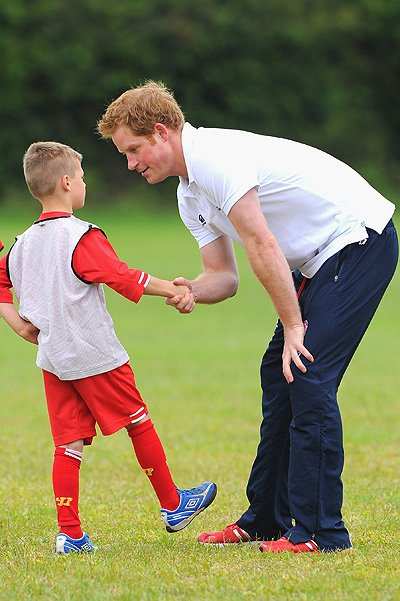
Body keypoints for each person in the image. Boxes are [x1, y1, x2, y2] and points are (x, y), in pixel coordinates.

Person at [97, 81, 398, 553]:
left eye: (134, 150)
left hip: (359, 240)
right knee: (278, 376)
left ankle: (322, 533)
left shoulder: (215, 158)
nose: (131, 164)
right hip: (318, 262)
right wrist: (187, 290)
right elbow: (224, 277)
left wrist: (296, 326)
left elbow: (262, 243)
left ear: (161, 132)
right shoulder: (188, 194)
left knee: (308, 373)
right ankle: (265, 520)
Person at [0, 141, 217, 554]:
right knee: (138, 420)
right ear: (66, 182)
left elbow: (1, 283)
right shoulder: (82, 236)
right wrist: (172, 289)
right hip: (95, 355)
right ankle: (173, 505)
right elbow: (121, 276)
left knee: (67, 444)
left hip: (54, 359)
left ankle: (71, 534)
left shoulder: (22, 242)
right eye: (81, 177)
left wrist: (19, 326)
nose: (84, 183)